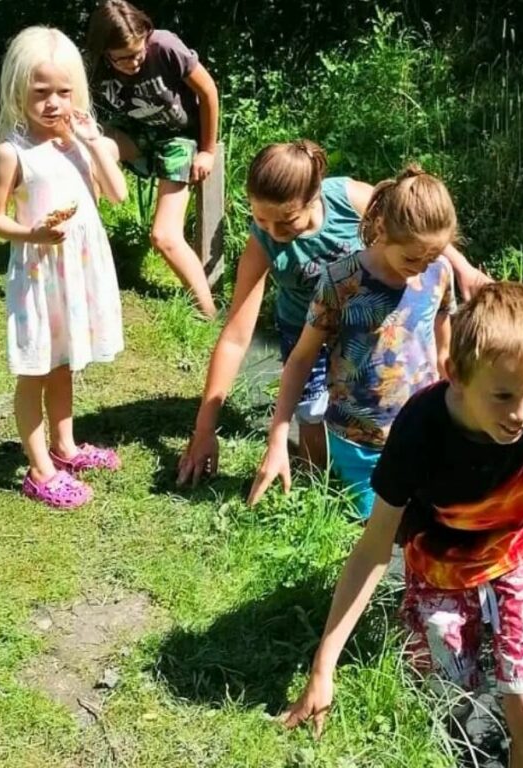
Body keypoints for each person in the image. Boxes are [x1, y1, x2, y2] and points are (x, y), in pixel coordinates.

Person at [281, 282, 523, 768]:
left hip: (518, 549)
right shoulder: (420, 431)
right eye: (503, 396)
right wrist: (323, 666)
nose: (521, 414)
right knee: (448, 694)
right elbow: (375, 547)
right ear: (455, 373)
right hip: (439, 561)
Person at [175, 141, 490, 487]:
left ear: (314, 198)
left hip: (364, 327)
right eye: (260, 219)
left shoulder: (348, 199)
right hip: (304, 333)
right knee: (314, 424)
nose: (275, 233)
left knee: (376, 406)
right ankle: (315, 487)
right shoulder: (262, 243)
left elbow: (413, 226)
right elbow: (236, 337)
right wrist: (204, 430)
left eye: (286, 221)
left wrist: (462, 268)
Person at [245, 165, 457, 515]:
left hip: (419, 431)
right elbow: (300, 359)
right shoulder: (341, 281)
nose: (421, 267)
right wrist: (279, 436)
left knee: (427, 525)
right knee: (370, 528)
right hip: (357, 441)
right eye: (412, 257)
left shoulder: (440, 272)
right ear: (383, 229)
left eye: (432, 256)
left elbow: (443, 354)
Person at [0, 26, 128, 508]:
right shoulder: (14, 151)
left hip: (79, 272)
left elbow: (117, 194)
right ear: (18, 90)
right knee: (35, 368)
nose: (52, 103)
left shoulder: (81, 141)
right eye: (40, 92)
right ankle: (39, 468)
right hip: (39, 274)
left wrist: (90, 140)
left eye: (63, 92)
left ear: (78, 93)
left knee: (63, 363)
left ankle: (65, 447)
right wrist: (33, 234)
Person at [86, 0, 219, 317]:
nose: (132, 63)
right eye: (121, 59)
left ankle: (209, 313)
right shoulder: (90, 65)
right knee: (92, 150)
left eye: (137, 53)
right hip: (133, 134)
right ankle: (84, 259)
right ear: (104, 52)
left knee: (164, 236)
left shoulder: (165, 46)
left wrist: (207, 150)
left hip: (177, 139)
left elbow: (208, 92)